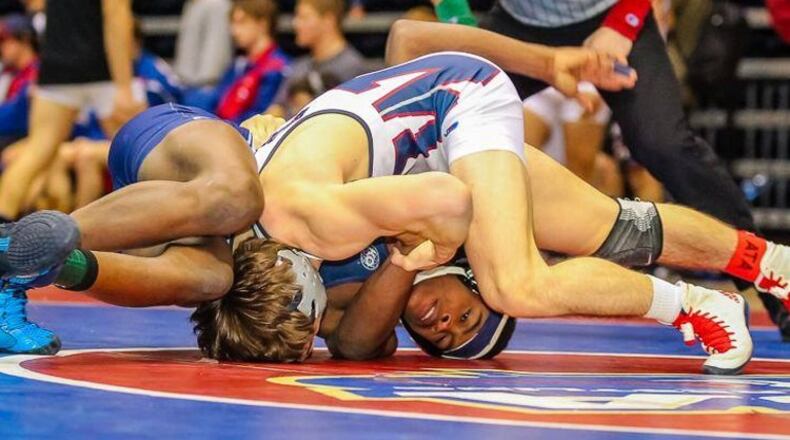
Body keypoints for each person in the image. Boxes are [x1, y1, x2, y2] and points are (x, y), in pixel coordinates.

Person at [416, 0, 790, 338]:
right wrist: (461, 24)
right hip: (520, 25)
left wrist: (624, 22)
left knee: (664, 146)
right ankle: (436, 275)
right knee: (444, 124)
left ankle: (773, 277)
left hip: (611, 15)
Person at [0, 0, 146, 222]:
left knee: (35, 154)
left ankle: (2, 226)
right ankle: (155, 229)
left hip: (57, 65)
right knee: (139, 154)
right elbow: (116, 14)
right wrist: (124, 86)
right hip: (105, 66)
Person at [184, 0, 287, 124]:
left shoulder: (277, 68)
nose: (234, 31)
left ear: (262, 24)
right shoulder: (239, 65)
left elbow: (261, 117)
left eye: (241, 22)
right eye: (232, 23)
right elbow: (217, 101)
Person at [267, 0, 366, 116]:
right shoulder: (299, 66)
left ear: (328, 20)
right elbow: (276, 109)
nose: (295, 23)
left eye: (303, 17)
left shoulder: (353, 68)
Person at [0, 14, 37, 146]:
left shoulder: (40, 72)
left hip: (23, 139)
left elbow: (20, 118)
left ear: (25, 39)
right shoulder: (8, 73)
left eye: (4, 40)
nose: (1, 47)